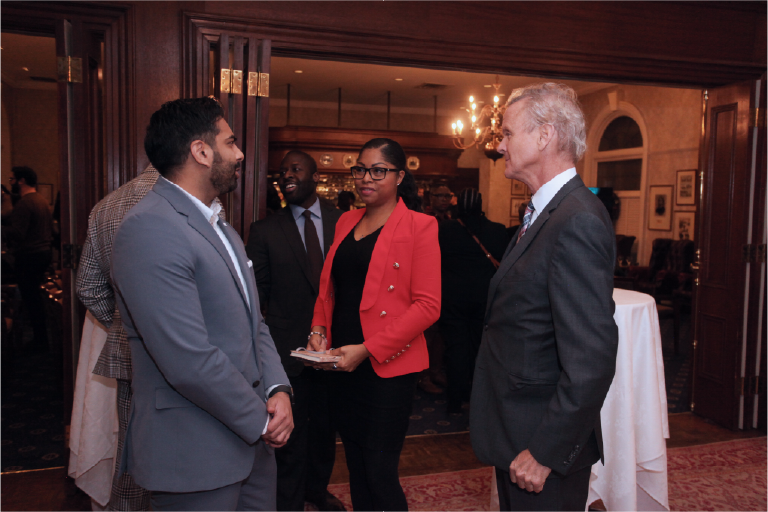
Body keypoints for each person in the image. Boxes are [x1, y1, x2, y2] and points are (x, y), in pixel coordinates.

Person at [111, 97, 293, 512]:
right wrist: (261, 420)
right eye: (230, 142)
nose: (240, 153)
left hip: (252, 447)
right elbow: (187, 358)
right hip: (194, 452)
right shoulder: (150, 228)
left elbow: (254, 323)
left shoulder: (220, 226)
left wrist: (278, 390)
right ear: (201, 151)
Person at [469, 83, 618, 512]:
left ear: (545, 135)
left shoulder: (576, 220)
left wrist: (545, 452)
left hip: (540, 446)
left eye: (507, 133)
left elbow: (591, 359)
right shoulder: (544, 213)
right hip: (517, 429)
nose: (499, 145)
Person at [307, 138, 441, 512]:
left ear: (399, 176)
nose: (366, 178)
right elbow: (329, 288)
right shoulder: (346, 220)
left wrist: (368, 350)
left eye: (378, 171)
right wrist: (318, 331)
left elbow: (428, 306)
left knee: (379, 472)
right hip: (341, 362)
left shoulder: (420, 225)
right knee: (355, 465)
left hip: (386, 366)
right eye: (361, 169)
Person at [77, 164, 215, 512]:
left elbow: (88, 287)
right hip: (192, 354)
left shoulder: (106, 206)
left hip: (131, 358)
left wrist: (129, 327)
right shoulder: (198, 199)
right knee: (190, 456)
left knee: (133, 457)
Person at [245, 151, 345, 512]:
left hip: (336, 351)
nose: (286, 175)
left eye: (295, 169)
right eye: (281, 171)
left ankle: (317, 492)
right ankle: (288, 501)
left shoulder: (344, 221)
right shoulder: (265, 230)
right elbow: (255, 297)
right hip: (287, 352)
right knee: (290, 435)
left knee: (325, 431)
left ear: (315, 176)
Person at [438, 189, 508, 414]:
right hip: (484, 299)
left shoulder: (445, 230)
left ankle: (454, 400)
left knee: (455, 349)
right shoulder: (497, 231)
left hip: (453, 299)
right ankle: (478, 398)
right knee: (480, 349)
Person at [2, 166, 53, 351]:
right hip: (42, 253)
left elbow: (18, 233)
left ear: (21, 180)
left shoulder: (25, 203)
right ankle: (40, 338)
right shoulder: (40, 200)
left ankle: (39, 340)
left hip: (29, 255)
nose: (11, 183)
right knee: (34, 298)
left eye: (12, 180)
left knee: (31, 299)